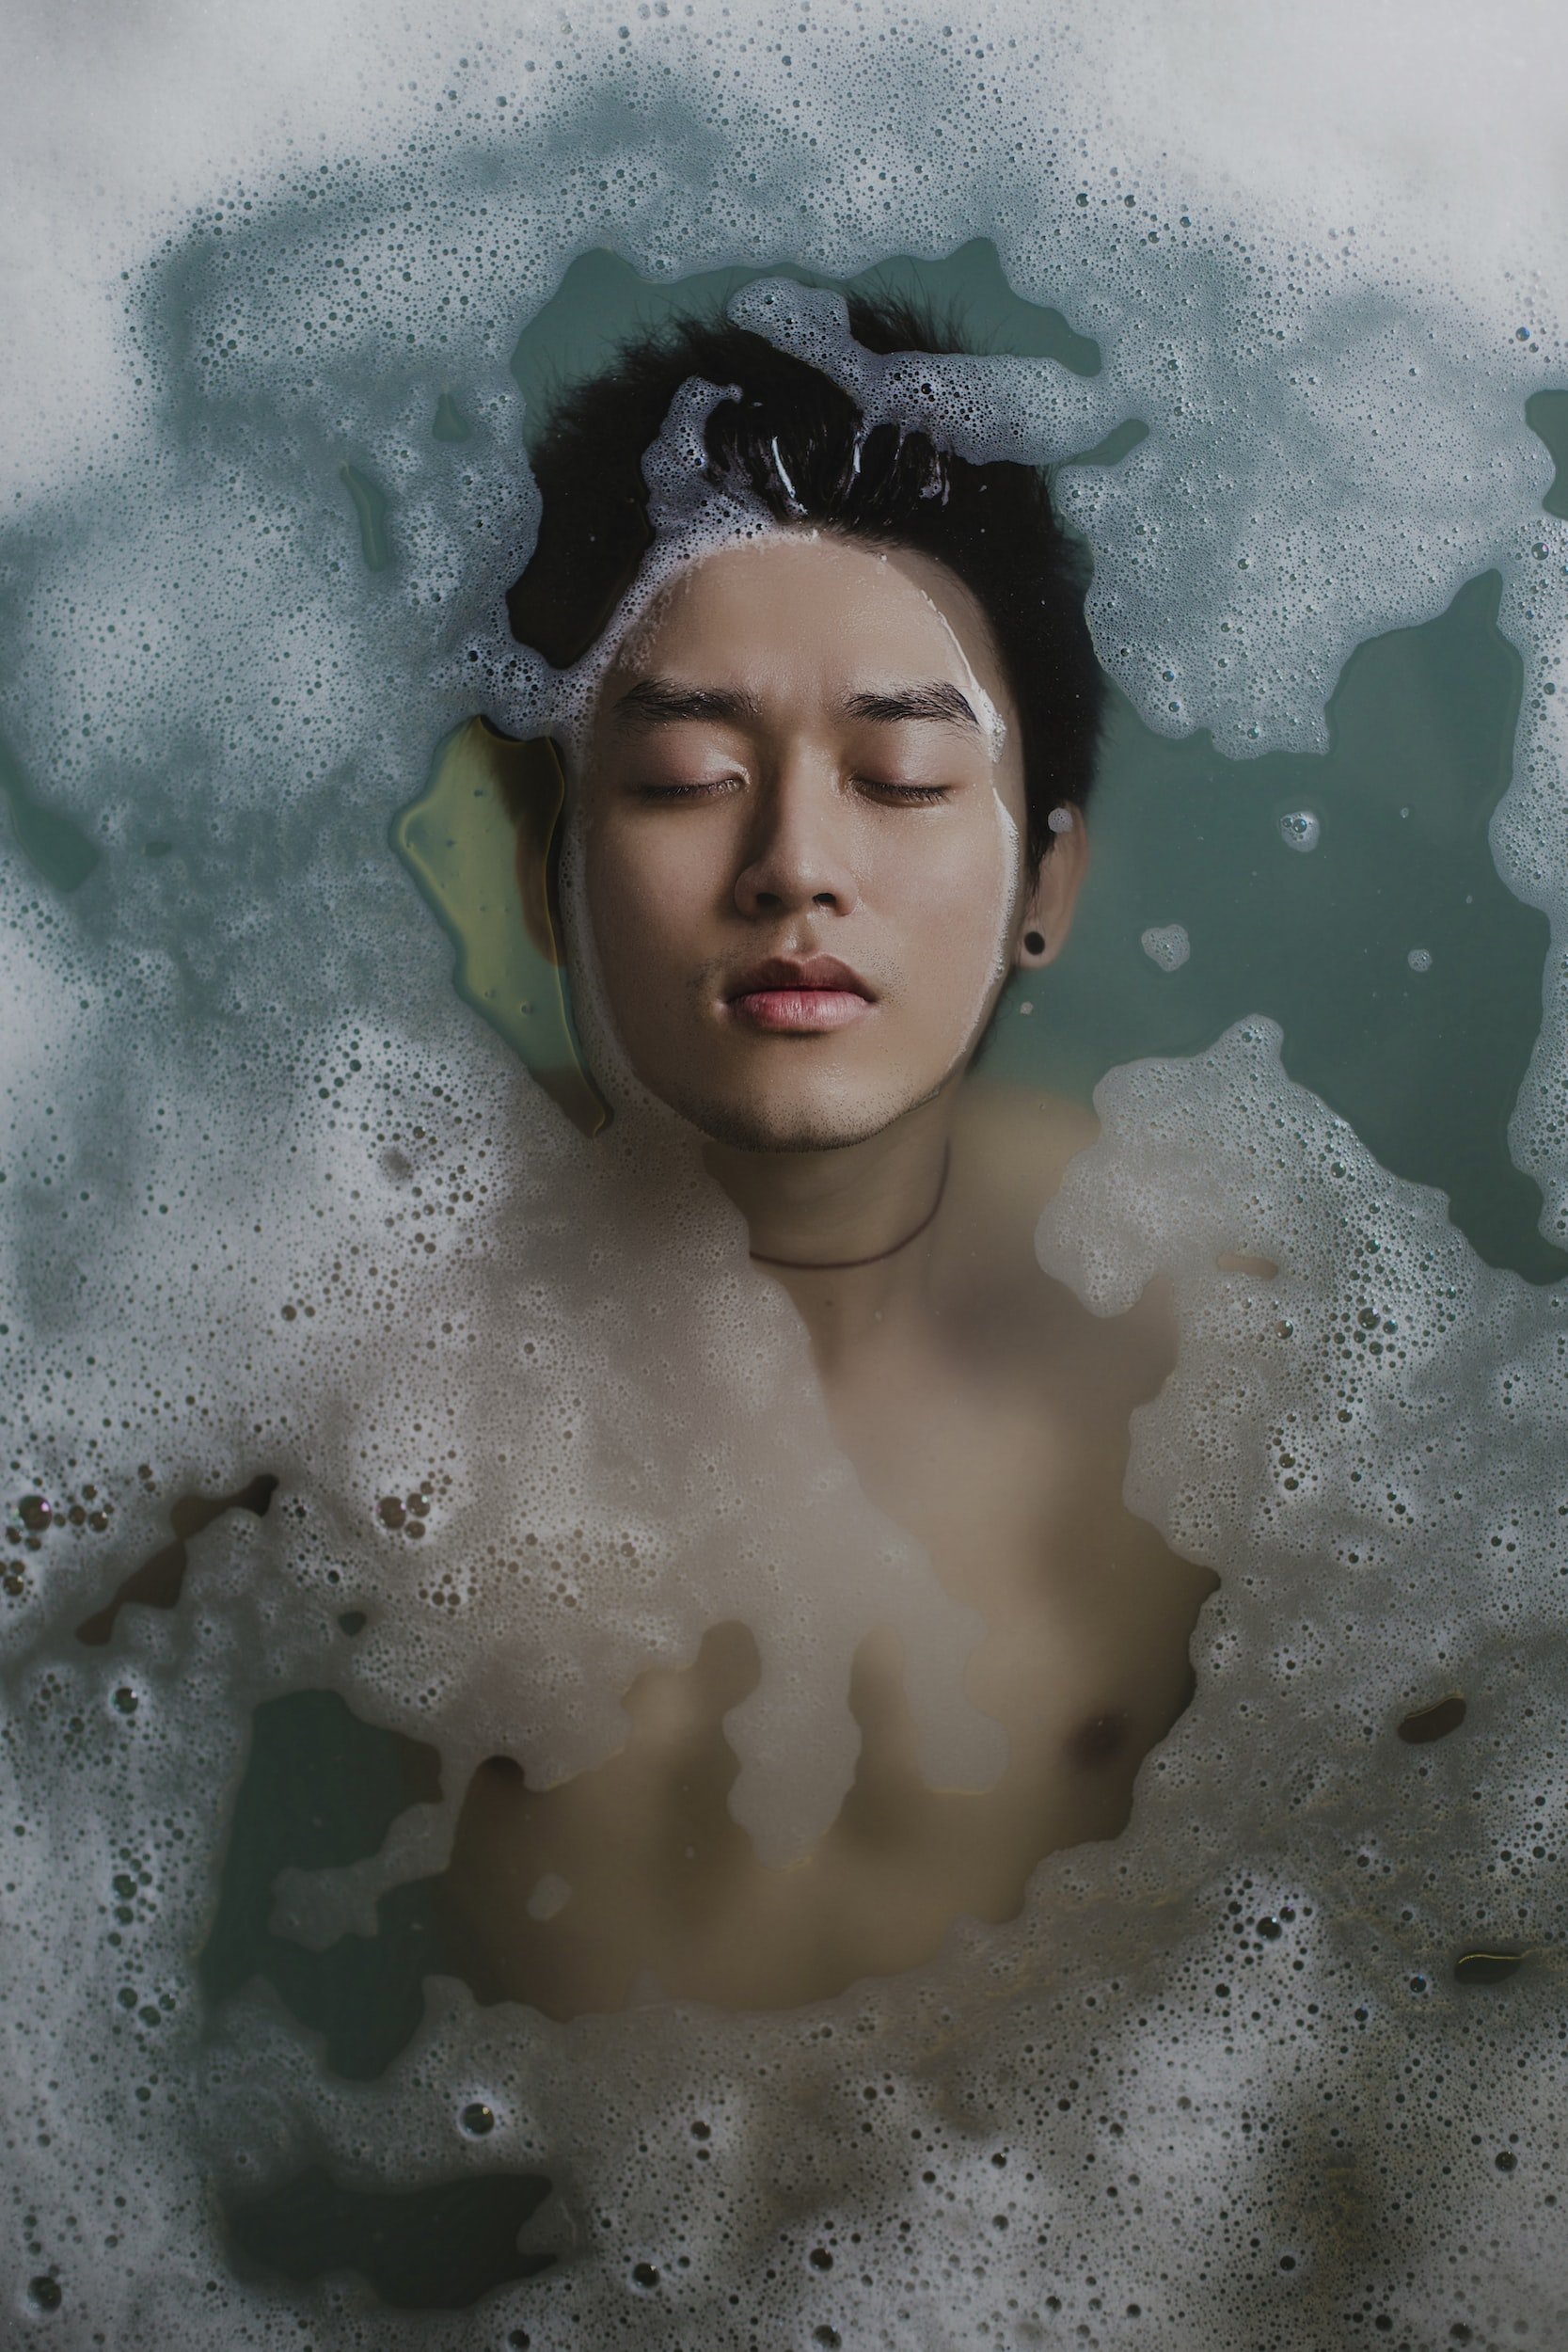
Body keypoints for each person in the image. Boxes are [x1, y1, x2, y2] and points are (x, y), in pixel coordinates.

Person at [438, 295, 1217, 2014]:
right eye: (689, 773)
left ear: (1048, 888)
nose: (796, 861)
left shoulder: (1215, 1325)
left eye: (902, 772)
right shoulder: (362, 1331)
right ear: (542, 884)